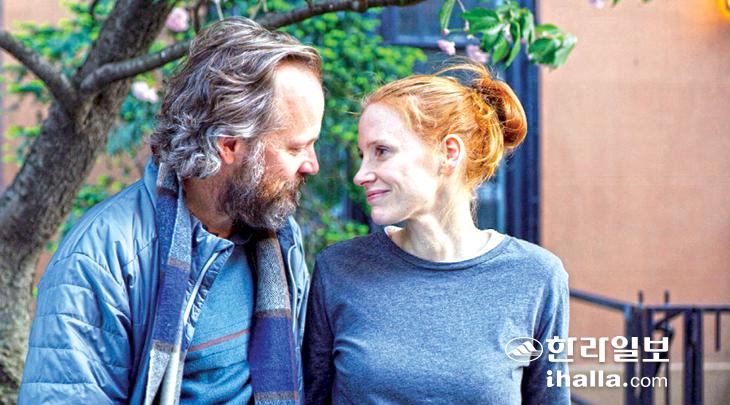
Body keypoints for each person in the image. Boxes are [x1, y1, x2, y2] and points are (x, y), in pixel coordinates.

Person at [19, 18, 323, 405]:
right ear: (228, 146)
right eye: (295, 148)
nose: (312, 165)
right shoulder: (102, 257)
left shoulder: (278, 236)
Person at [303, 62, 570, 404]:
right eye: (362, 154)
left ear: (448, 153)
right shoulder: (339, 269)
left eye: (381, 151)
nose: (361, 174)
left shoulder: (537, 276)